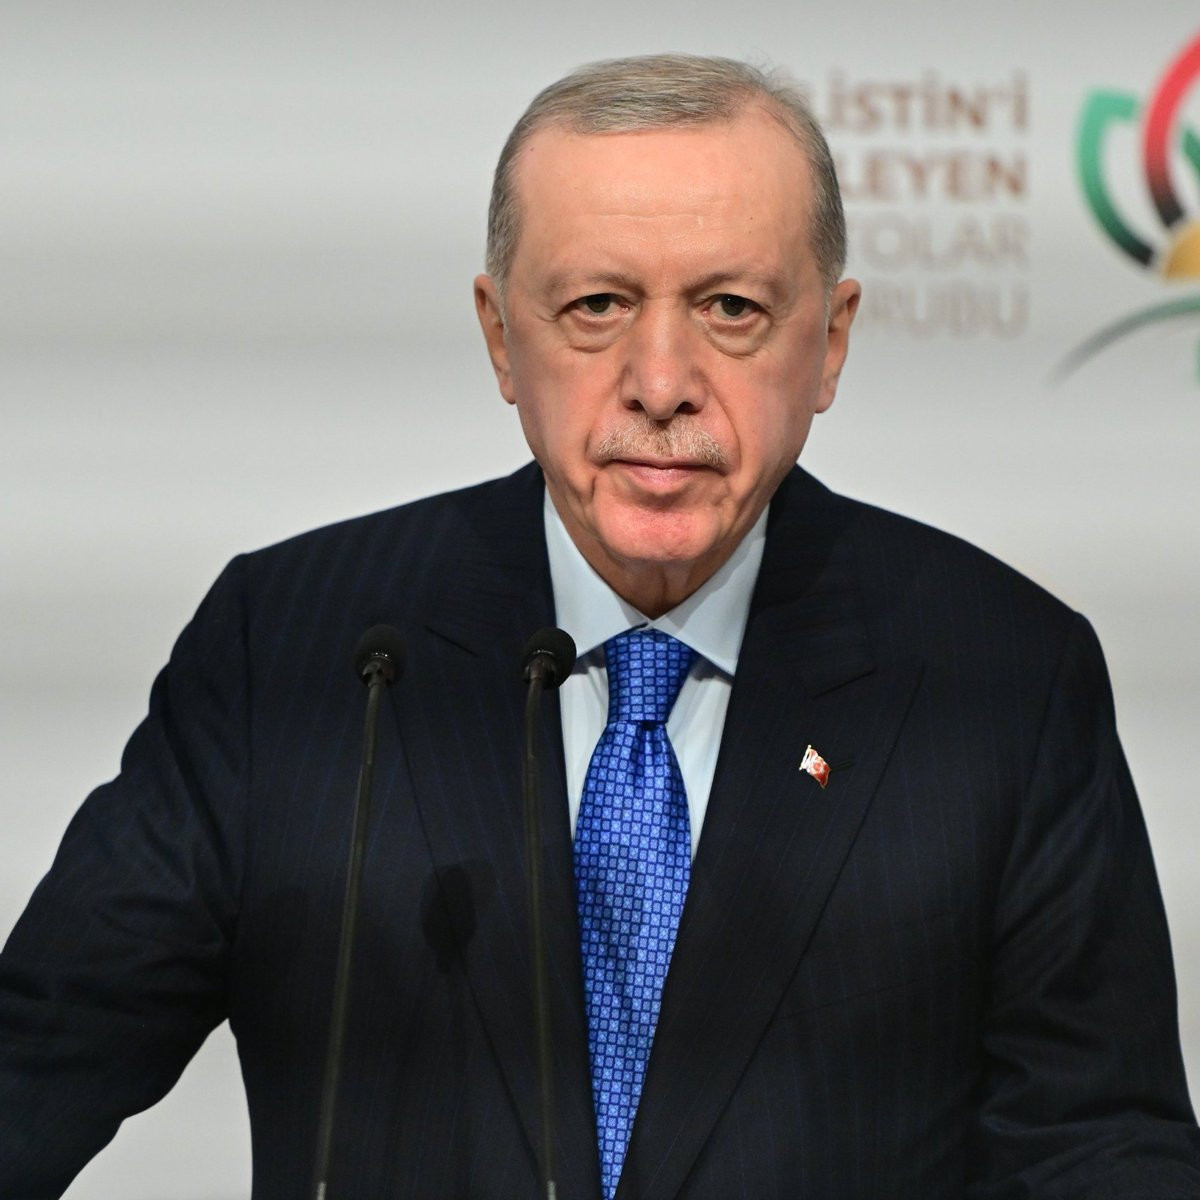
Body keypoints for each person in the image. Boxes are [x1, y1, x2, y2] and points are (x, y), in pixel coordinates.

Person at [1, 53, 1198, 1200]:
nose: (660, 381)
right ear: (500, 337)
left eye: (731, 308)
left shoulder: (999, 677)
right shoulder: (301, 652)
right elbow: (41, 1050)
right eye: (596, 306)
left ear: (829, 344)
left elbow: (1097, 1150)